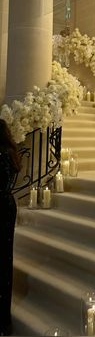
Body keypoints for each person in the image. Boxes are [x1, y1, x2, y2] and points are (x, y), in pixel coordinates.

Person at [0, 119, 21, 336]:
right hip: (8, 204)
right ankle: (3, 318)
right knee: (5, 259)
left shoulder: (0, 154)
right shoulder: (11, 153)